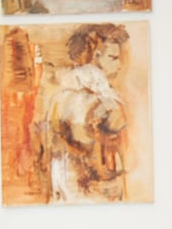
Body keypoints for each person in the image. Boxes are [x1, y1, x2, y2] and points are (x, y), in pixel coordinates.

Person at [47, 23, 130, 203]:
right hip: (89, 192)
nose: (119, 64)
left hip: (65, 186)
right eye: (113, 57)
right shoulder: (100, 99)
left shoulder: (60, 95)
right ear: (95, 56)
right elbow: (116, 122)